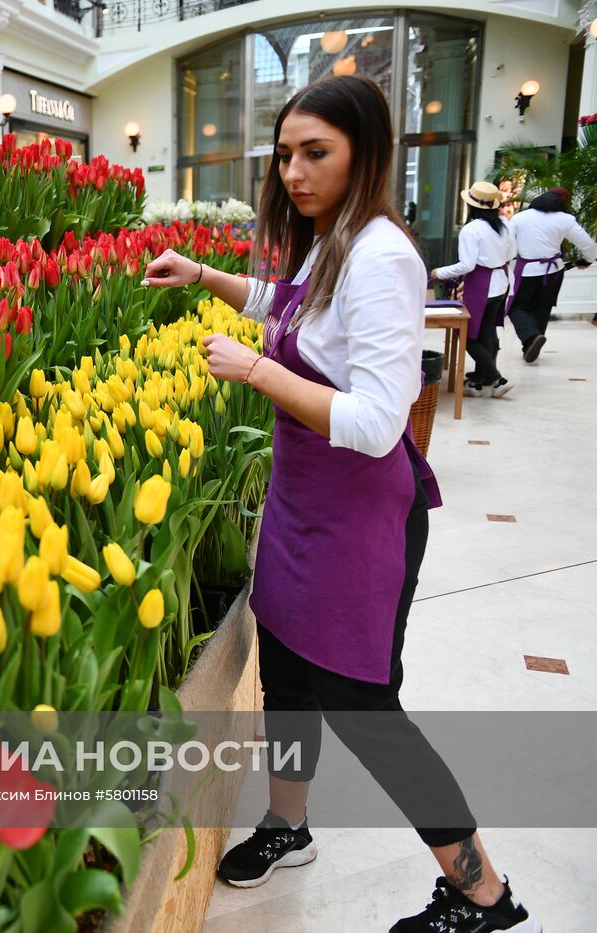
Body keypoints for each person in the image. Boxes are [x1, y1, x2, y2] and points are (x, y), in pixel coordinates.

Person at [143, 75, 540, 932]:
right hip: (299, 508)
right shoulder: (330, 243)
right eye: (284, 153)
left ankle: (486, 896)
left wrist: (254, 370)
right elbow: (286, 313)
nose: (293, 171)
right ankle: (290, 823)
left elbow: (372, 418)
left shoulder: (383, 256)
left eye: (315, 152)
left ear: (365, 153)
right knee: (284, 674)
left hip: (359, 522)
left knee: (364, 707)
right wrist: (202, 272)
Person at [429, 182, 517, 398]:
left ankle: (497, 379)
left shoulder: (471, 229)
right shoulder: (504, 224)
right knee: (486, 332)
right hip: (501, 281)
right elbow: (512, 253)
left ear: (471, 206)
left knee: (467, 336)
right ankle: (478, 381)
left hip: (481, 283)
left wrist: (440, 272)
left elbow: (466, 265)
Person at [506, 188, 596, 363]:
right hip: (554, 271)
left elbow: (508, 245)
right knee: (542, 308)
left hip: (527, 270)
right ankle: (532, 344)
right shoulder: (566, 219)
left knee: (516, 307)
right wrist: (588, 260)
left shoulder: (519, 218)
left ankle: (531, 339)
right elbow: (588, 244)